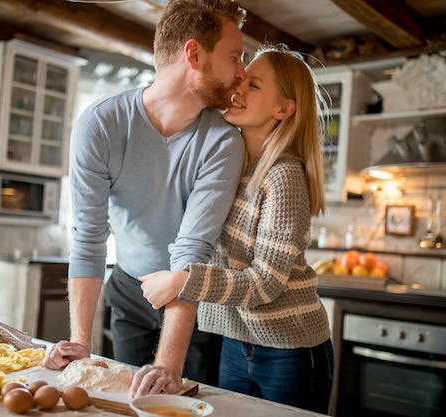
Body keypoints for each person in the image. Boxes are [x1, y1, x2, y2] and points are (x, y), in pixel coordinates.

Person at [40, 0, 247, 394]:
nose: (241, 72)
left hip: (196, 304)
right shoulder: (100, 124)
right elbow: (89, 237)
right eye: (235, 56)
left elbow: (192, 250)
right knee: (123, 400)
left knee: (182, 404)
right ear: (194, 54)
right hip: (129, 291)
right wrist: (80, 341)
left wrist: (169, 363)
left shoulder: (223, 141)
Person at [133, 44, 334, 414]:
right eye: (241, 79)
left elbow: (265, 283)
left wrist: (183, 282)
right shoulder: (228, 169)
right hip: (235, 341)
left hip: (290, 350)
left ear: (284, 109)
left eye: (254, 85)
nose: (237, 89)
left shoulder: (282, 178)